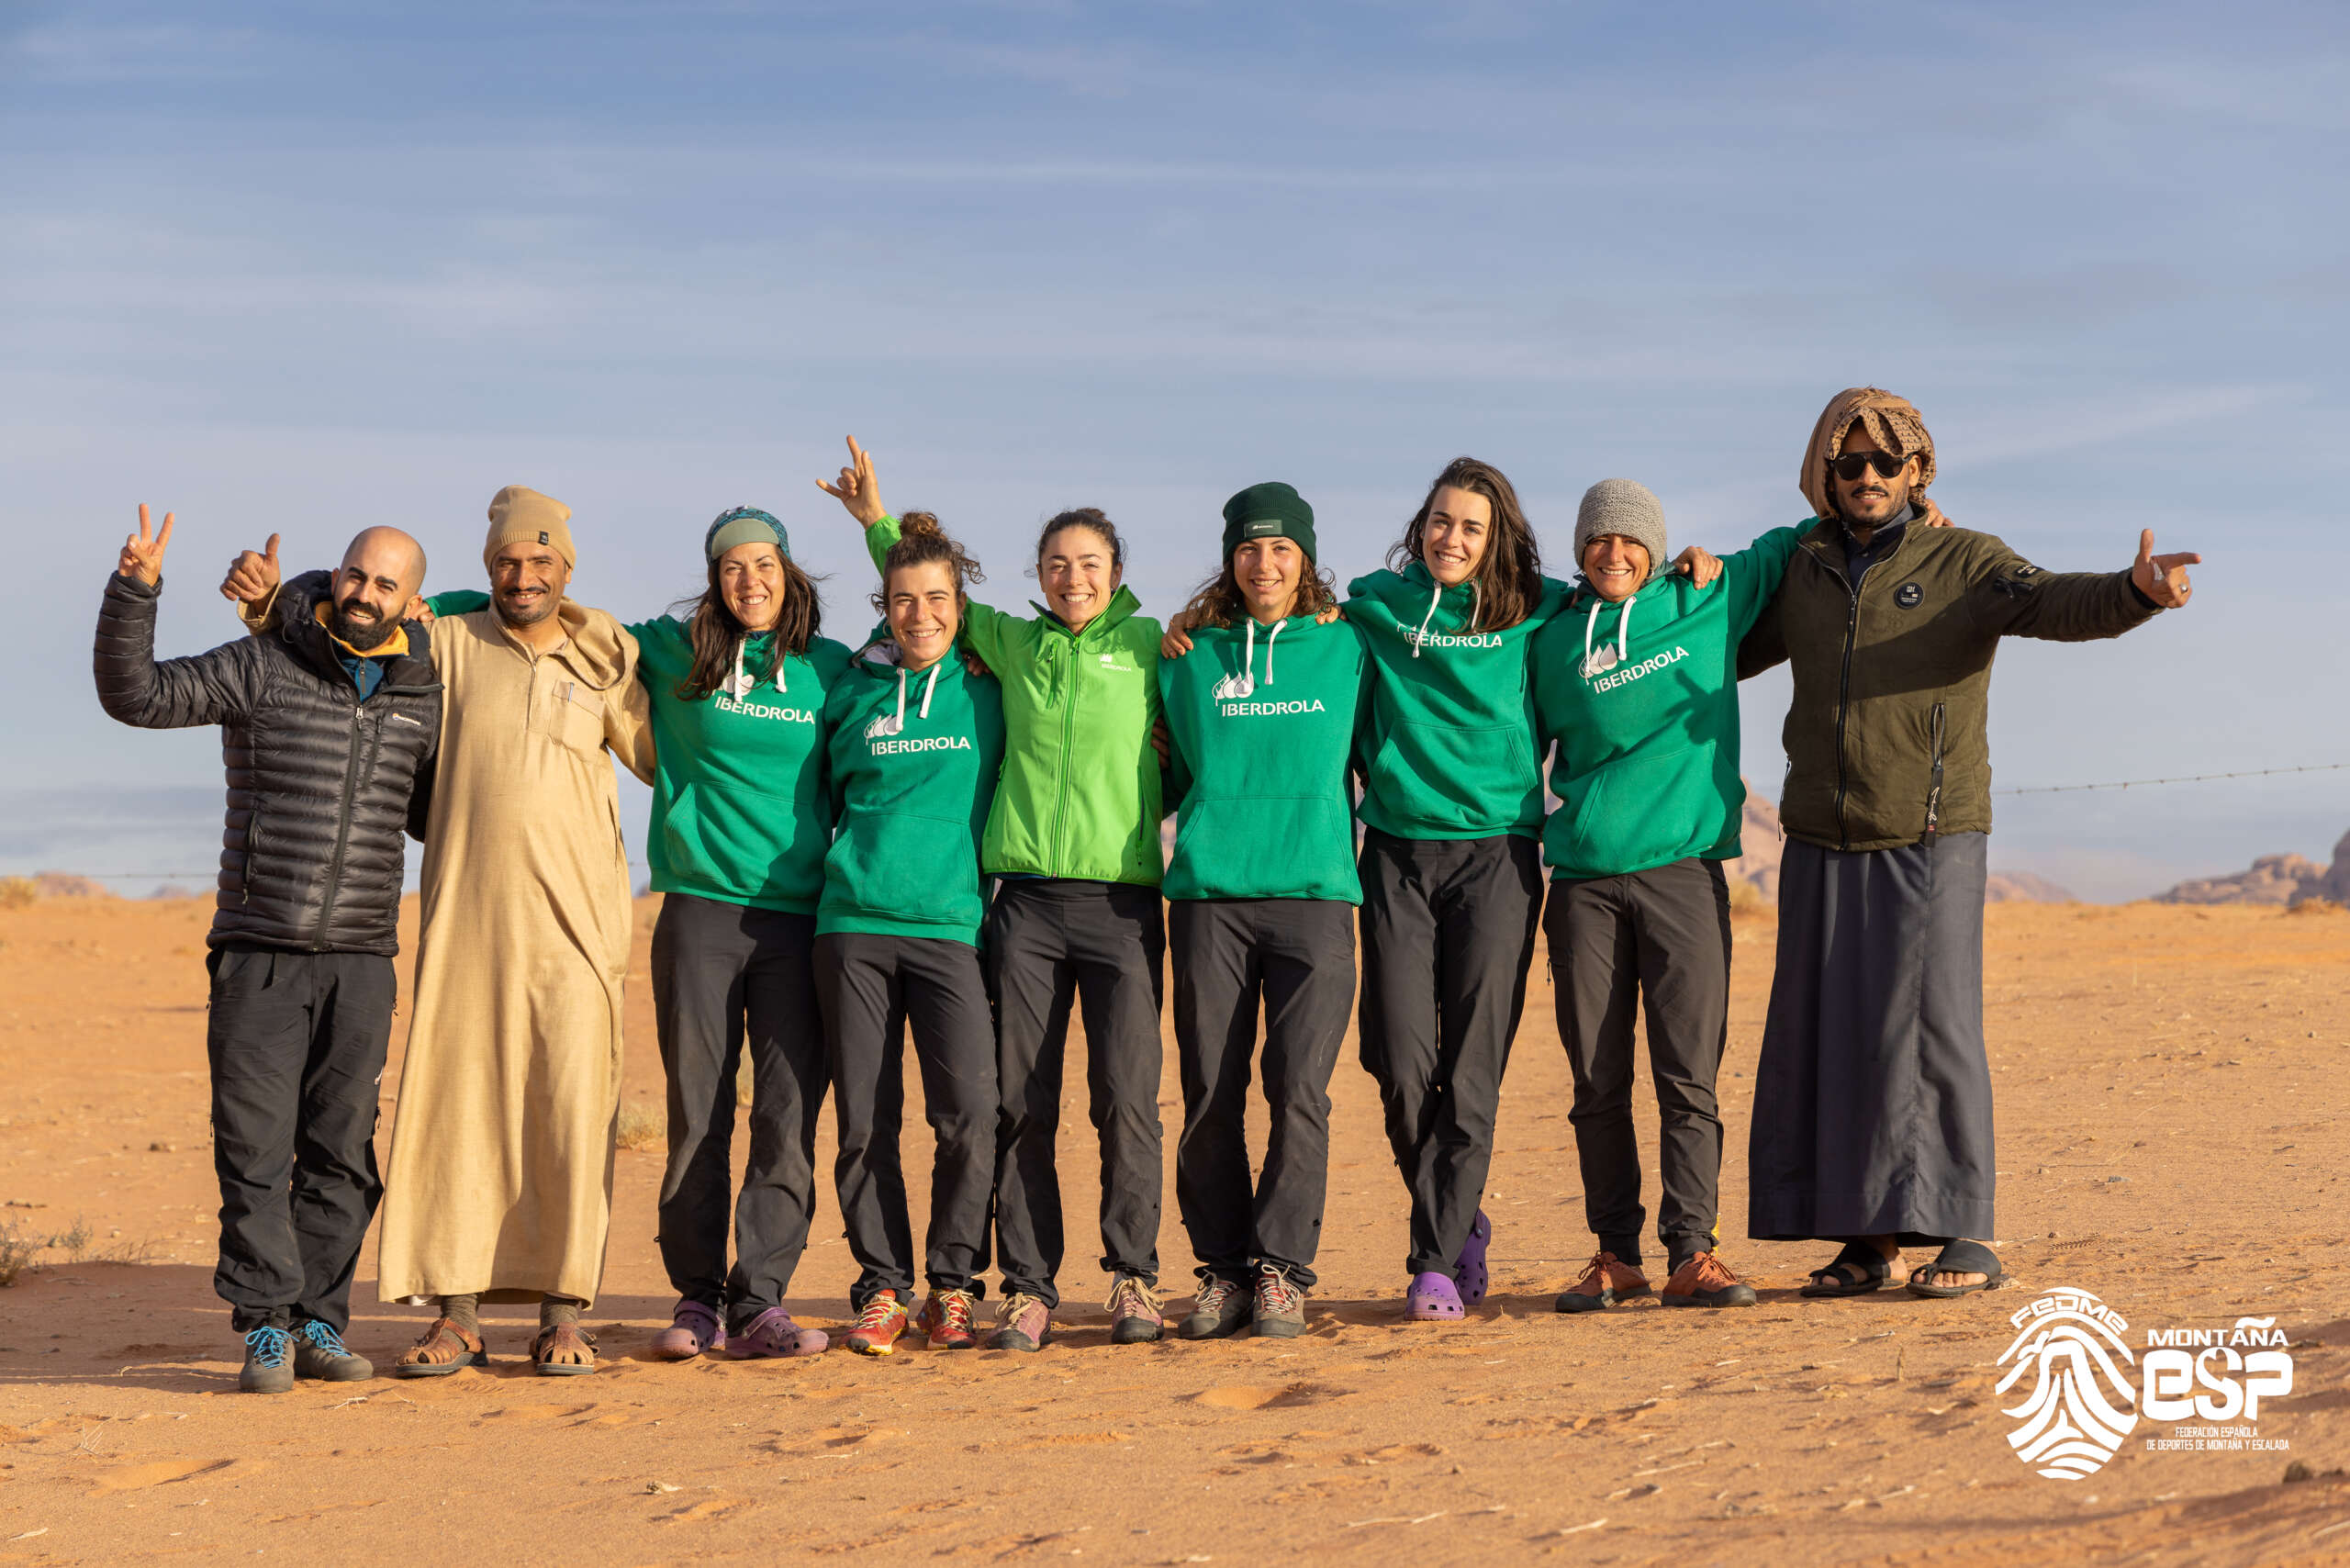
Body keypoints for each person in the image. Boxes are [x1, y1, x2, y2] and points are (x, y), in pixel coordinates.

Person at [1739, 387, 2199, 1300]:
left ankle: (1966, 1229)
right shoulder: (1800, 567)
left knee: (1932, 1026)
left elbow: (2057, 603)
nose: (1866, 477)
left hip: (1931, 826)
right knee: (1837, 1034)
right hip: (1821, 831)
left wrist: (2135, 593)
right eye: (1848, 463)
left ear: (1917, 470)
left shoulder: (1962, 558)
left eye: (1884, 461)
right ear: (1822, 475)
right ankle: (1867, 1240)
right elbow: (1712, 647)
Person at [225, 486, 656, 1375]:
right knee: (462, 1116)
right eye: (505, 559)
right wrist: (273, 605)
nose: (522, 573)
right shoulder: (445, 644)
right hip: (465, 929)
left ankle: (564, 1313)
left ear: (564, 568)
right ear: (487, 567)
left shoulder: (604, 658)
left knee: (569, 1116)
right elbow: (346, 631)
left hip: (577, 938)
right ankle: (456, 1314)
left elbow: (669, 753)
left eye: (540, 561)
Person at [410, 507, 849, 1361]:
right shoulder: (672, 649)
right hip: (699, 912)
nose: (748, 580)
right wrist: (440, 602)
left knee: (787, 1118)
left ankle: (760, 1300)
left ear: (789, 573)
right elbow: (546, 605)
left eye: (764, 564)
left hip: (801, 921)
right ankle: (696, 1299)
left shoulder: (833, 671)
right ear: (714, 579)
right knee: (699, 1114)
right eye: (731, 567)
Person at [818, 439, 1168, 1351]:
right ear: (1037, 578)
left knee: (1126, 1099)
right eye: (1056, 565)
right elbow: (924, 596)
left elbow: (1210, 725)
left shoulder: (1152, 643)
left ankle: (1133, 1278)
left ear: (1117, 573)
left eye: (1088, 564)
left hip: (1124, 902)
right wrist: (876, 523)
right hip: (1022, 908)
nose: (1071, 577)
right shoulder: (1007, 643)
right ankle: (1029, 1285)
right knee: (1021, 1104)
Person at [98, 510, 435, 1394]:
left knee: (342, 1155)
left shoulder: (418, 693)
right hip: (261, 950)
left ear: (413, 601)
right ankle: (265, 1329)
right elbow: (135, 695)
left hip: (363, 958)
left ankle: (322, 1322)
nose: (365, 593)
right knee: (253, 1150)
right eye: (356, 574)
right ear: (338, 575)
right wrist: (136, 589)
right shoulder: (263, 664)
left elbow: (437, 815)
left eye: (386, 584)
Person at [1528, 479, 1798, 1315]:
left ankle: (1694, 1252)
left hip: (1682, 874)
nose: (1615, 554)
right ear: (1580, 551)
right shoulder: (1547, 635)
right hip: (1582, 884)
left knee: (1688, 1078)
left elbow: (1801, 535)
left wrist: (1916, 510)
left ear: (1657, 548)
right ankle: (1615, 1255)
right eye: (1599, 541)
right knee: (1597, 1081)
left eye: (1631, 541)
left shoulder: (1704, 594)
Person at [1157, 484, 1368, 1339]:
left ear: (1307, 559)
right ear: (1230, 559)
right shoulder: (1188, 656)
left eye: (1282, 548)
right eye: (1249, 547)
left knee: (1300, 1091)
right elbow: (1165, 776)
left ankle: (1283, 1271)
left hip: (1315, 895)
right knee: (1211, 1088)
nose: (1265, 562)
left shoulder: (1350, 646)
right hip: (1212, 896)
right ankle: (1224, 1271)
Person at [815, 513, 1005, 1355]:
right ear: (882, 608)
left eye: (935, 598)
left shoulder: (989, 688)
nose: (919, 613)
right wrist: (880, 532)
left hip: (950, 927)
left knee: (970, 1113)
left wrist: (881, 522)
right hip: (852, 924)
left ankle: (953, 1285)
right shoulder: (851, 689)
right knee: (865, 1119)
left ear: (961, 606)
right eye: (901, 599)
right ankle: (883, 1286)